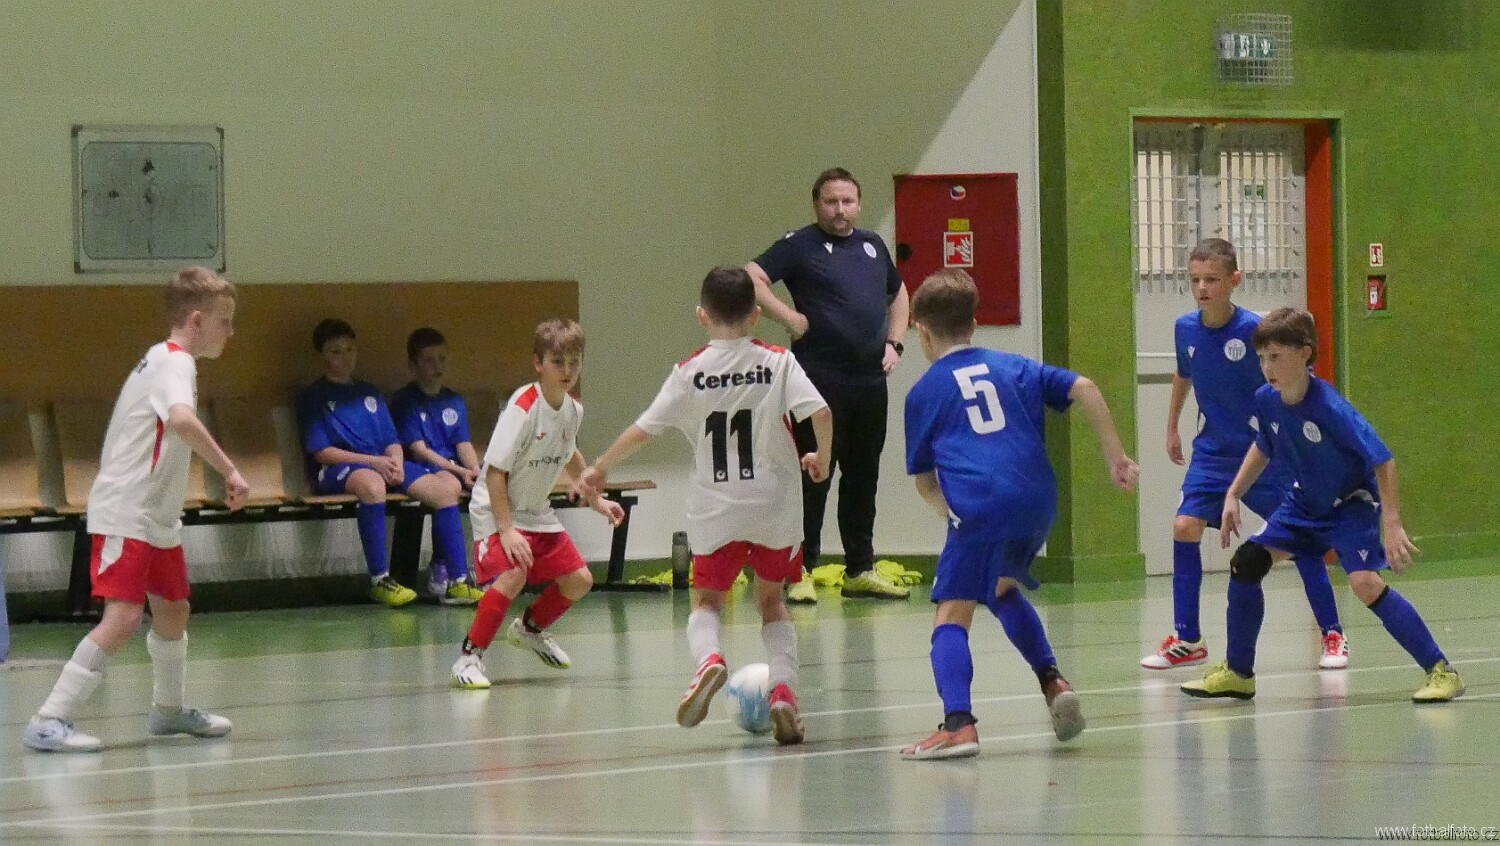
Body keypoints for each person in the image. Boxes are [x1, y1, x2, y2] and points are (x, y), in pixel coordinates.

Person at [579, 267, 831, 746]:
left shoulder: (689, 372)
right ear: (755, 316)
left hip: (716, 508)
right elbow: (821, 411)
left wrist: (600, 466)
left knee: (707, 601)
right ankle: (783, 692)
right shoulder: (778, 362)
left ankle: (709, 661)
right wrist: (822, 456)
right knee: (772, 603)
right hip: (774, 505)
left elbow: (644, 430)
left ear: (701, 316)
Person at [898, 270, 1139, 760]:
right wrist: (1116, 457)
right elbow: (1086, 387)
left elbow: (924, 482)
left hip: (980, 505)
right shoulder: (1014, 366)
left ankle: (958, 725)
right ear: (974, 323)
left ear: (920, 330)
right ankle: (1053, 682)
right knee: (1001, 587)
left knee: (951, 611)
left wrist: (953, 516)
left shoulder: (923, 392)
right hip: (1037, 501)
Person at [22, 267, 250, 753]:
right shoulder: (174, 362)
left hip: (157, 519)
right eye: (225, 321)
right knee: (123, 616)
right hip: (127, 513)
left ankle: (168, 710)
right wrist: (230, 470)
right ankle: (49, 718)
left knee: (173, 609)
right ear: (196, 320)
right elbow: (182, 420)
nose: (231, 332)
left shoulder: (166, 361)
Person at [1182, 308, 1463, 703]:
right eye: (1261, 358)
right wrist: (1233, 493)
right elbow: (1264, 445)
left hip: (1351, 505)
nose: (1267, 367)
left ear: (1305, 353)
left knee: (1364, 584)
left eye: (1276, 357)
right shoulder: (1266, 400)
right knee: (1247, 563)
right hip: (1304, 503)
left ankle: (1442, 671)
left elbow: (1383, 459)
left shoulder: (1330, 407)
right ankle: (1239, 673)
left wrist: (1391, 522)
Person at [1143, 239, 1345, 671]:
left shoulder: (1257, 332)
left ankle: (1332, 634)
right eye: (1195, 280)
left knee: (1300, 541)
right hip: (1212, 454)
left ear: (1234, 280)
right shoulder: (1185, 328)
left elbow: (1298, 382)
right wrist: (1172, 425)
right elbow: (1183, 374)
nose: (1202, 288)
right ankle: (1188, 639)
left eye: (1212, 279)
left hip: (1264, 454)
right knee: (1184, 526)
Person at [745, 166, 910, 603]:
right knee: (812, 474)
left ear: (859, 204)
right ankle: (798, 569)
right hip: (816, 382)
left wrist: (895, 343)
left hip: (869, 383)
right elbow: (751, 276)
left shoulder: (872, 246)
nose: (840, 210)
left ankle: (860, 568)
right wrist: (789, 317)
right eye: (831, 201)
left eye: (847, 201)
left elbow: (899, 294)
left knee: (863, 476)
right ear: (816, 204)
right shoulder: (799, 245)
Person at [449, 319, 623, 688]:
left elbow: (569, 452)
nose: (567, 370)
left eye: (575, 362)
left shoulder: (573, 410)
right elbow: (495, 472)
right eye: (558, 362)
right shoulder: (523, 407)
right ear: (538, 363)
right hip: (495, 508)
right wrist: (507, 530)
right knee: (514, 573)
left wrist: (596, 499)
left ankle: (528, 629)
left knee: (579, 581)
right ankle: (468, 658)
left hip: (535, 510)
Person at [297, 319, 468, 607]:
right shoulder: (313, 396)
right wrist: (374, 462)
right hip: (339, 469)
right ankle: (380, 580)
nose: (345, 357)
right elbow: (323, 452)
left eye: (350, 349)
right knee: (373, 484)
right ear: (321, 356)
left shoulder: (370, 392)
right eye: (336, 351)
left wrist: (396, 462)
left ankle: (457, 581)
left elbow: (391, 440)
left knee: (444, 492)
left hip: (382, 463)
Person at [390, 327, 485, 604]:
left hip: (451, 468)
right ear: (413, 365)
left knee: (484, 484)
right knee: (451, 486)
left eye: (442, 359)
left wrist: (475, 472)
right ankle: (452, 574)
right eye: (429, 360)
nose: (437, 366)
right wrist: (459, 471)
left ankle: (465, 568)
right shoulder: (406, 400)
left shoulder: (453, 399)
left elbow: (463, 444)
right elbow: (419, 451)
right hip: (420, 467)